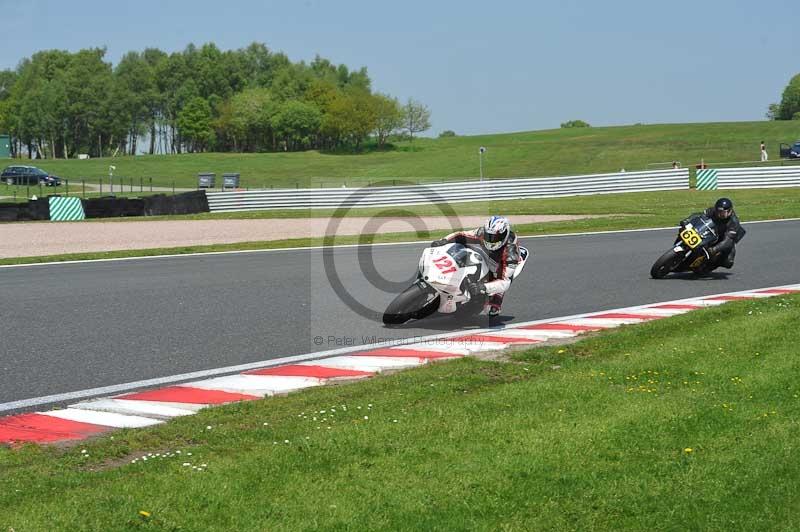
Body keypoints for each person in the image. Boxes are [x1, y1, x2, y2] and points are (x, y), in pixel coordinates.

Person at [431, 215, 520, 317]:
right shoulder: (481, 233)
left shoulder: (511, 253)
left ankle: (496, 302)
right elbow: (461, 235)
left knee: (490, 309)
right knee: (462, 248)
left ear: (505, 234)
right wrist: (443, 240)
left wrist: (483, 287)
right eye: (489, 236)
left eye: (495, 237)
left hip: (499, 263)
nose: (491, 240)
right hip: (484, 253)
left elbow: (505, 282)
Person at [684, 197, 744, 269]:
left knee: (728, 262)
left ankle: (711, 265)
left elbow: (728, 241)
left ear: (729, 211)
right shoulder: (712, 210)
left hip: (723, 239)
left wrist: (714, 249)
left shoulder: (733, 222)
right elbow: (699, 216)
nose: (719, 214)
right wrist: (687, 220)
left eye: (722, 212)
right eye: (718, 211)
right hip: (710, 233)